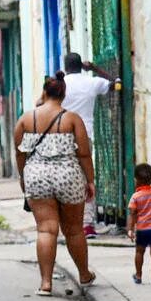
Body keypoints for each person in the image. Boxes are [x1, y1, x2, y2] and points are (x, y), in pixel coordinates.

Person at [15, 72, 96, 296]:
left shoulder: (26, 119)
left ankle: (46, 283)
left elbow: (20, 154)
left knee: (46, 229)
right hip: (68, 175)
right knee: (74, 230)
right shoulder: (71, 119)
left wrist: (24, 178)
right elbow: (84, 154)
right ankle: (84, 274)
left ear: (44, 91)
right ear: (64, 93)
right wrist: (90, 180)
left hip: (36, 176)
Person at [61, 51, 120, 239]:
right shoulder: (91, 82)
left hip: (62, 136)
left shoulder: (61, 85)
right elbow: (117, 84)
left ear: (65, 66)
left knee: (65, 178)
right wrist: (95, 68)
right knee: (87, 180)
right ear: (81, 66)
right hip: (85, 135)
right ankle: (87, 225)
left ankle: (68, 222)